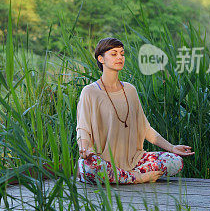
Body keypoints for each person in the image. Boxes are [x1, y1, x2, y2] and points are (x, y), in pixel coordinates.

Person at [76, 37, 194, 185]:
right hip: (102, 161)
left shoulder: (130, 90)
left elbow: (145, 129)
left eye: (122, 53)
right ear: (101, 58)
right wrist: (85, 149)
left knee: (175, 161)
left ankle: (124, 176)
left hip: (134, 160)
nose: (120, 57)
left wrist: (172, 147)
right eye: (114, 54)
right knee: (91, 167)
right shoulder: (90, 92)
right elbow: (83, 129)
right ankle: (137, 177)